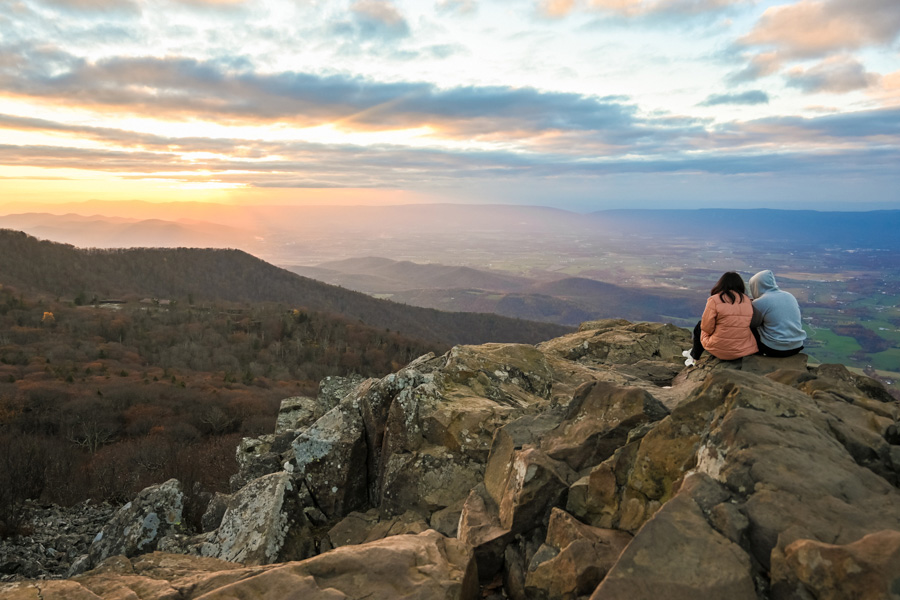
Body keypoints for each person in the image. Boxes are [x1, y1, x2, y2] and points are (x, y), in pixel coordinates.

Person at [683, 271, 758, 366]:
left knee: (700, 326)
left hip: (720, 349)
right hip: (742, 350)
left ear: (721, 284)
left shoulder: (714, 300)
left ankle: (694, 358)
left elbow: (706, 327)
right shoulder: (747, 300)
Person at [748, 269, 806, 357]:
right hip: (797, 346)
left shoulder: (760, 302)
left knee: (747, 325)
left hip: (775, 349)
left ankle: (755, 355)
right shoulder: (789, 295)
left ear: (756, 286)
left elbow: (753, 324)